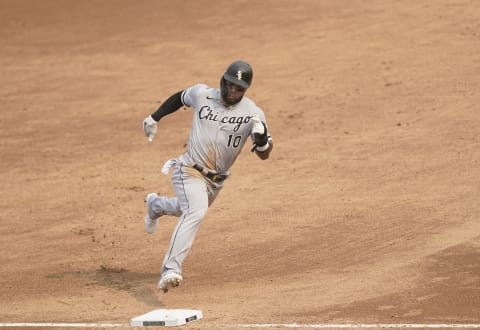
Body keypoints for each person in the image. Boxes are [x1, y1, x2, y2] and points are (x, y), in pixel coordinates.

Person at [142, 60, 273, 292]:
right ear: (223, 80)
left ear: (246, 89)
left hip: (216, 181)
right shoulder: (202, 94)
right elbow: (179, 98)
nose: (233, 91)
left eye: (239, 88)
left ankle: (156, 205)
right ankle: (171, 269)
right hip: (189, 169)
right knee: (196, 211)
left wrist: (262, 139)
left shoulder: (254, 114)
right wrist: (154, 117)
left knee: (186, 210)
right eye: (230, 84)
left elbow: (264, 154)